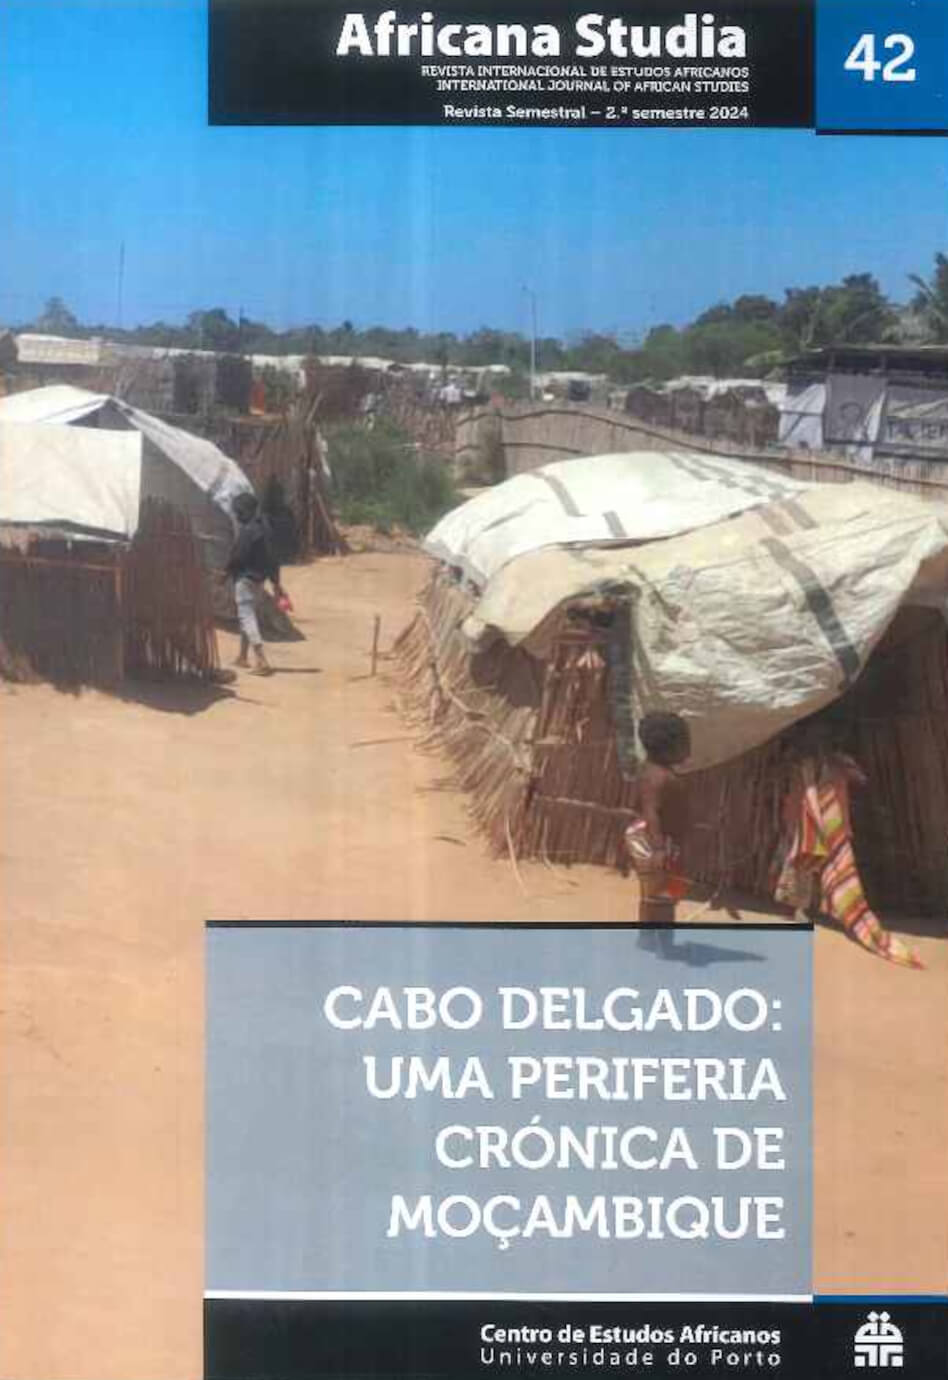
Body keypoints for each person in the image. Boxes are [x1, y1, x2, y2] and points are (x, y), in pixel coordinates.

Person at [771, 720, 922, 968]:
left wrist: (841, 769)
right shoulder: (806, 764)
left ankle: (823, 907)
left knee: (824, 866)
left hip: (829, 820)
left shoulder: (833, 763)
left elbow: (860, 778)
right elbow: (799, 790)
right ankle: (799, 909)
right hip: (811, 819)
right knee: (804, 864)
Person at [624, 712, 692, 923]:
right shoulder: (658, 777)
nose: (688, 749)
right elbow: (651, 812)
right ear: (667, 747)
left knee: (655, 894)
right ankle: (659, 938)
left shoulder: (656, 772)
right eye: (684, 743)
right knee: (662, 895)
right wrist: (659, 849)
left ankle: (649, 935)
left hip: (655, 838)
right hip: (654, 839)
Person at [225, 491, 286, 676]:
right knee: (247, 616)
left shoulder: (248, 531)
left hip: (245, 580)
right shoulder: (266, 530)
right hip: (259, 581)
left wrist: (225, 574)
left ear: (245, 511)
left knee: (247, 618)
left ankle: (261, 660)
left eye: (238, 512)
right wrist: (276, 583)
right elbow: (273, 560)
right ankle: (242, 656)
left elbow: (237, 557)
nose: (237, 516)